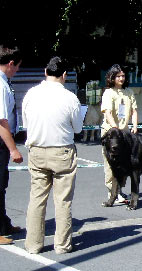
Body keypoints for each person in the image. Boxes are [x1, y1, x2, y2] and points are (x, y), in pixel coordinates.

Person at [22, 56, 83, 254]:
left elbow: (26, 123)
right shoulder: (70, 98)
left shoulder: (30, 94)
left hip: (37, 149)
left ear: (45, 72)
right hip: (62, 151)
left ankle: (33, 244)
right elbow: (77, 128)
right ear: (64, 75)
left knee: (37, 198)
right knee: (63, 200)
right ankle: (62, 245)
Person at [101, 64, 138, 203]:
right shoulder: (109, 93)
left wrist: (134, 126)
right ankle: (112, 193)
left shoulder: (129, 92)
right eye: (118, 76)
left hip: (125, 136)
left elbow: (134, 111)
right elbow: (107, 112)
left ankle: (120, 191)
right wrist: (115, 128)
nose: (121, 78)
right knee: (111, 166)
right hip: (111, 135)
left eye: (123, 76)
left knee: (124, 166)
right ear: (112, 77)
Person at [0, 45, 24, 245]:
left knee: (2, 184)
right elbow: (1, 121)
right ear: (10, 64)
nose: (17, 71)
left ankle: (3, 223)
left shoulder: (4, 82)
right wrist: (13, 148)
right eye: (17, 67)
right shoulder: (0, 85)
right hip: (1, 141)